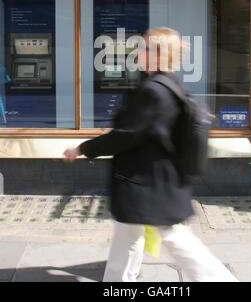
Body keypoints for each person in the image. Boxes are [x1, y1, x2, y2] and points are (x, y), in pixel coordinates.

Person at [63, 27, 238, 282]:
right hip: (152, 180)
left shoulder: (153, 91)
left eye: (143, 47)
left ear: (158, 54)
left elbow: (124, 135)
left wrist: (82, 148)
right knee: (128, 237)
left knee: (177, 241)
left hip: (148, 183)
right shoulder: (170, 82)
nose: (137, 51)